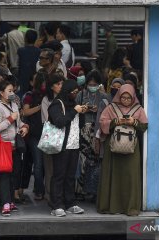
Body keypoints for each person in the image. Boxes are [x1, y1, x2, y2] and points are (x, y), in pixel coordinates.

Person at [97, 84, 148, 216]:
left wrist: (134, 122)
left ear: (133, 98)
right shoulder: (111, 108)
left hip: (131, 148)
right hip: (113, 147)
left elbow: (144, 126)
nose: (125, 100)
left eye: (128, 98)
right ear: (119, 96)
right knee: (113, 175)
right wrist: (115, 122)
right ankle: (112, 207)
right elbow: (102, 122)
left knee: (131, 176)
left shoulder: (139, 109)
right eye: (123, 97)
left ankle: (130, 208)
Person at [48, 80, 88, 217]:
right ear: (67, 91)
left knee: (71, 176)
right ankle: (56, 205)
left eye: (77, 93)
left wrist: (81, 112)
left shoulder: (74, 104)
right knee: (59, 175)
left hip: (74, 145)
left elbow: (80, 125)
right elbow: (59, 122)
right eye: (73, 93)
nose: (75, 95)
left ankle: (70, 203)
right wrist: (73, 111)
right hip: (61, 145)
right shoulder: (56, 104)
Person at [0, 79, 29, 216]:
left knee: (14, 174)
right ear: (2, 93)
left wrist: (25, 127)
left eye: (13, 90)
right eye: (9, 91)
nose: (12, 93)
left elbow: (19, 123)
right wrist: (10, 119)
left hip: (15, 146)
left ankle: (11, 201)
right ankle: (5, 203)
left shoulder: (14, 105)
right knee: (4, 176)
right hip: (4, 145)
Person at [75, 70, 109, 202]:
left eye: (95, 84)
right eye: (90, 84)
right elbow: (75, 109)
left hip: (97, 132)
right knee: (82, 161)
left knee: (95, 162)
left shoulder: (104, 96)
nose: (92, 86)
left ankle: (93, 191)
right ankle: (80, 190)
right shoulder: (81, 94)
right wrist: (85, 109)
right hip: (83, 131)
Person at [22, 70, 49, 201]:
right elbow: (25, 112)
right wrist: (39, 107)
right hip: (35, 134)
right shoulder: (30, 96)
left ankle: (40, 189)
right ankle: (39, 190)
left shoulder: (49, 95)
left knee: (42, 164)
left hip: (45, 133)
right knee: (39, 164)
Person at [41, 73, 65, 201]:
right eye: (58, 84)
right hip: (52, 136)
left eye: (62, 83)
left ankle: (61, 195)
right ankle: (51, 195)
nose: (61, 86)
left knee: (63, 168)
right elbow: (47, 119)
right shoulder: (46, 100)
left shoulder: (67, 98)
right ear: (51, 86)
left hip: (66, 137)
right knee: (50, 168)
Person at [17, 29, 41, 97]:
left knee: (22, 95)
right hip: (34, 77)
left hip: (23, 77)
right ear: (36, 39)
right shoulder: (39, 51)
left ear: (25, 39)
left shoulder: (21, 50)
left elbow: (18, 64)